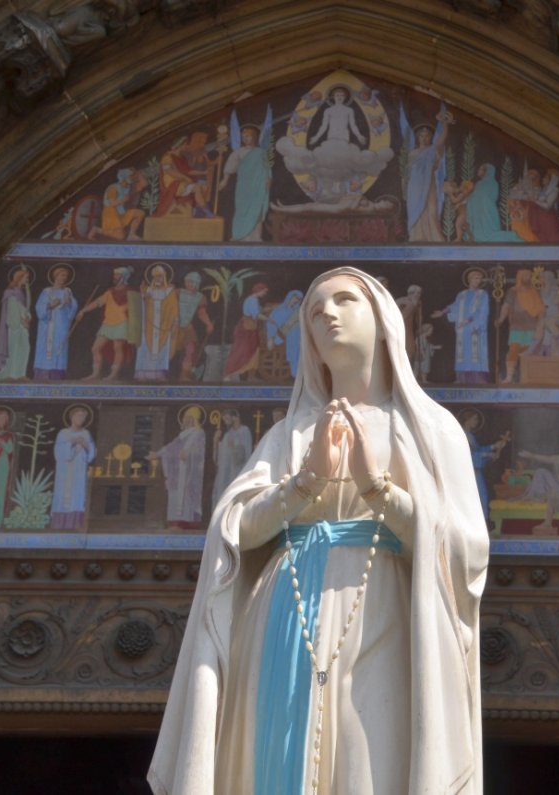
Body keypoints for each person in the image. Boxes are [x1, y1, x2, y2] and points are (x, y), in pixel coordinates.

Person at [149, 267, 487, 794]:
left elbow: (465, 549)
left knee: (368, 750)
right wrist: (303, 483)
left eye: (344, 301)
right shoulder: (289, 434)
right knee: (279, 751)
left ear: (383, 322)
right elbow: (237, 532)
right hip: (286, 612)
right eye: (313, 311)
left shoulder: (431, 429)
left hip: (383, 608)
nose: (326, 313)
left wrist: (379, 491)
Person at [149, 405, 207, 529]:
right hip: (177, 472)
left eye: (188, 418)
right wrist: (157, 453)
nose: (185, 420)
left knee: (187, 496)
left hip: (190, 472)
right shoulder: (182, 435)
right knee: (175, 495)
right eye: (185, 418)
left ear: (194, 419)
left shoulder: (198, 433)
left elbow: (199, 452)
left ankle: (188, 522)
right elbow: (170, 448)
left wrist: (189, 454)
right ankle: (176, 521)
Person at [402, 107, 453, 242]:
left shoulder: (432, 151)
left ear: (430, 138)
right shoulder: (412, 154)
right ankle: (417, 236)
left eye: (427, 136)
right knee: (415, 209)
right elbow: (408, 173)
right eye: (421, 136)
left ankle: (434, 237)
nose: (424, 138)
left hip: (428, 184)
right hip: (415, 186)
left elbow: (441, 140)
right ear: (418, 137)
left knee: (431, 209)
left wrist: (445, 124)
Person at [77, 266, 136, 381]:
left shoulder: (130, 291)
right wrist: (83, 310)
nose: (114, 277)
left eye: (117, 275)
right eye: (114, 275)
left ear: (124, 277)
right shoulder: (110, 291)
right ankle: (96, 373)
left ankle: (113, 374)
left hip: (122, 322)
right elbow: (98, 302)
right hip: (108, 323)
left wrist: (126, 307)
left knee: (117, 347)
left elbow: (135, 306)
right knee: (95, 348)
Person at [433, 268, 490, 384]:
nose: (478, 281)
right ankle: (461, 378)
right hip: (463, 330)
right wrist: (442, 312)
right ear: (469, 280)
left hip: (475, 329)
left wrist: (469, 320)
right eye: (475, 278)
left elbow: (482, 311)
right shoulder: (462, 295)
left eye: (479, 279)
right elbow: (454, 306)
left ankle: (478, 378)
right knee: (462, 354)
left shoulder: (482, 295)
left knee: (476, 353)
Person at [220, 115, 272, 242]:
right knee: (242, 210)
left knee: (258, 210)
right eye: (244, 136)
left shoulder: (261, 152)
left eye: (248, 135)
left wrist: (268, 180)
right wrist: (224, 181)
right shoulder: (239, 152)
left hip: (259, 186)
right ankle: (240, 236)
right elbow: (230, 166)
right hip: (244, 186)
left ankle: (256, 236)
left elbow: (267, 169)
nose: (246, 138)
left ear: (255, 136)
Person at [50, 405, 96, 529]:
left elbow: (91, 454)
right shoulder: (63, 433)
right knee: (63, 498)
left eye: (84, 417)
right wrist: (73, 442)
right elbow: (59, 453)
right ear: (72, 417)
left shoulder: (86, 434)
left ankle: (76, 525)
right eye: (79, 416)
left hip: (79, 472)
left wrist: (86, 446)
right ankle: (59, 525)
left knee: (78, 498)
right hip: (65, 472)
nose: (82, 419)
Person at [496, 269, 545, 383]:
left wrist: (541, 323)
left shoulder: (534, 291)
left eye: (529, 275)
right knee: (514, 349)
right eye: (525, 275)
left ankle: (531, 378)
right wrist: (501, 319)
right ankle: (509, 377)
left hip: (532, 325)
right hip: (517, 326)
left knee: (531, 351)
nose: (528, 277)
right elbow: (506, 306)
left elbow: (541, 309)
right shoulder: (513, 291)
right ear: (519, 277)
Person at [460, 409, 510, 521]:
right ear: (467, 420)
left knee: (482, 497)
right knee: (474, 498)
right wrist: (487, 454)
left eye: (477, 419)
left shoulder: (470, 436)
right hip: (467, 473)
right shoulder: (461, 434)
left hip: (475, 472)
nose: (476, 422)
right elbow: (467, 454)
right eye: (474, 419)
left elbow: (478, 451)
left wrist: (493, 448)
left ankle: (482, 523)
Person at [33, 264, 78, 380]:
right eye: (62, 275)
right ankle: (43, 375)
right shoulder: (47, 292)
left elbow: (73, 309)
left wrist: (69, 303)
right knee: (45, 348)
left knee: (60, 348)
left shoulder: (67, 291)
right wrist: (50, 305)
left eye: (66, 276)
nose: (64, 278)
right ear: (56, 276)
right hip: (47, 326)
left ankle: (57, 375)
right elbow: (39, 308)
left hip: (62, 326)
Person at [135, 263, 180, 381]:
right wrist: (143, 295)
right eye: (155, 277)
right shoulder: (148, 291)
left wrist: (175, 321)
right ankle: (143, 373)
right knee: (146, 347)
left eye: (160, 276)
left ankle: (159, 372)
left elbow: (174, 307)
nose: (158, 279)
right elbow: (142, 306)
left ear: (164, 277)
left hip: (164, 325)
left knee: (163, 349)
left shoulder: (170, 291)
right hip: (149, 325)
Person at [170, 271, 214, 382]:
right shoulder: (177, 292)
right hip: (173, 327)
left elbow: (202, 313)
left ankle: (184, 376)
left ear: (197, 283)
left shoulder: (200, 297)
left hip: (187, 328)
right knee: (169, 352)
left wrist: (208, 324)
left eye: (192, 282)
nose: (189, 284)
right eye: (188, 282)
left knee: (191, 350)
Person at [223, 283, 270, 382]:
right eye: (264, 291)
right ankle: (229, 374)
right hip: (246, 330)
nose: (264, 294)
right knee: (241, 352)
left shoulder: (254, 300)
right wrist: (269, 319)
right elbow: (256, 315)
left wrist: (271, 309)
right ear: (259, 290)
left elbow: (259, 311)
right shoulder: (252, 300)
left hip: (251, 329)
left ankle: (251, 376)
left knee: (254, 352)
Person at [0, 266, 32, 380]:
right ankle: (10, 374)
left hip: (22, 326)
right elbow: (13, 309)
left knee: (25, 348)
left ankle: (20, 374)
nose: (27, 280)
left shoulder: (21, 293)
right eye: (26, 277)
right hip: (14, 325)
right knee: (13, 349)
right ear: (19, 278)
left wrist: (28, 318)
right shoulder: (10, 292)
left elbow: (23, 308)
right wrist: (21, 320)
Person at [466, 163, 523, 242]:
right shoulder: (478, 184)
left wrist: (479, 200)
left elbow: (490, 197)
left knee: (491, 234)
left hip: (487, 212)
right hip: (477, 212)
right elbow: (474, 196)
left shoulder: (493, 183)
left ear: (487, 171)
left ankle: (511, 236)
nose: (478, 171)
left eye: (481, 169)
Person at [91, 167, 147, 241]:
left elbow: (144, 184)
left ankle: (131, 235)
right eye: (130, 176)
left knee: (140, 213)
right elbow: (111, 203)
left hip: (121, 212)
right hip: (111, 213)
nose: (132, 178)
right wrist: (122, 200)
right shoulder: (113, 188)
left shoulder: (128, 188)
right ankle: (97, 230)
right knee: (120, 237)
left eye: (133, 176)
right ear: (124, 178)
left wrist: (139, 174)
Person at [211, 408, 253, 505]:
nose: (226, 422)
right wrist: (215, 441)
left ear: (235, 418)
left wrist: (235, 447)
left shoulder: (245, 431)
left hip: (237, 472)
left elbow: (246, 454)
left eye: (227, 419)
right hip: (224, 474)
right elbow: (218, 459)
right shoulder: (227, 434)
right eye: (224, 420)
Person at [267, 290, 304, 379]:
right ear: (289, 297)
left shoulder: (299, 311)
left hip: (299, 335)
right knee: (294, 350)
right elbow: (271, 323)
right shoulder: (279, 310)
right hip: (285, 336)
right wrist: (271, 338)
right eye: (295, 298)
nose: (296, 301)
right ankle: (295, 374)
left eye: (298, 299)